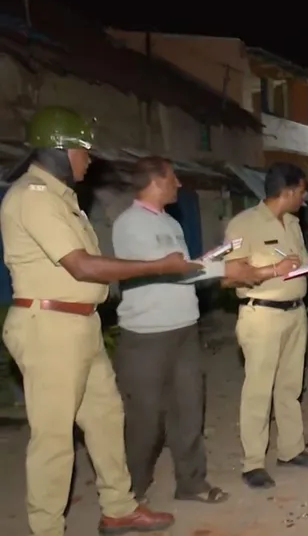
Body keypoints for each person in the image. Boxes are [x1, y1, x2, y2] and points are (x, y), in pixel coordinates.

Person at [0, 106, 193, 535]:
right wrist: (157, 267)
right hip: (48, 326)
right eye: (84, 152)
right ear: (62, 150)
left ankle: (119, 508)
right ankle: (46, 528)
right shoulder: (32, 197)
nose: (89, 160)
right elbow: (83, 267)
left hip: (80, 325)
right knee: (53, 439)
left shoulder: (62, 200)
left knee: (106, 419)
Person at [110, 156, 281, 505]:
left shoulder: (171, 223)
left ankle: (191, 482)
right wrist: (225, 270)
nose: (179, 184)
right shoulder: (129, 224)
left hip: (184, 329)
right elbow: (171, 270)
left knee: (188, 410)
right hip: (146, 335)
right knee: (145, 419)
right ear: (157, 181)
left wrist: (223, 269)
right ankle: (129, 493)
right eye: (173, 178)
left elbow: (186, 270)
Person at [223, 162, 308, 490]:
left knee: (290, 386)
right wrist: (274, 271)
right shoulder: (244, 224)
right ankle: (253, 463)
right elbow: (230, 275)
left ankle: (291, 450)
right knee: (258, 390)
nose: (304, 198)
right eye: (302, 191)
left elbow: (301, 264)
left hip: (295, 313)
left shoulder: (293, 224)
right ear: (289, 191)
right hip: (262, 315)